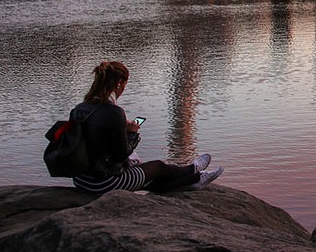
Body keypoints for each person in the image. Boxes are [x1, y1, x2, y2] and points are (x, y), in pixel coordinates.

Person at [71, 61, 223, 194]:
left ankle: (193, 181)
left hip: (81, 180)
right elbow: (121, 155)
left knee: (146, 177)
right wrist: (131, 134)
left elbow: (94, 140)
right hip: (102, 183)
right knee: (157, 167)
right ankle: (194, 171)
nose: (123, 90)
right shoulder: (114, 112)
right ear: (118, 83)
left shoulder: (79, 108)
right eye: (124, 85)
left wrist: (118, 131)